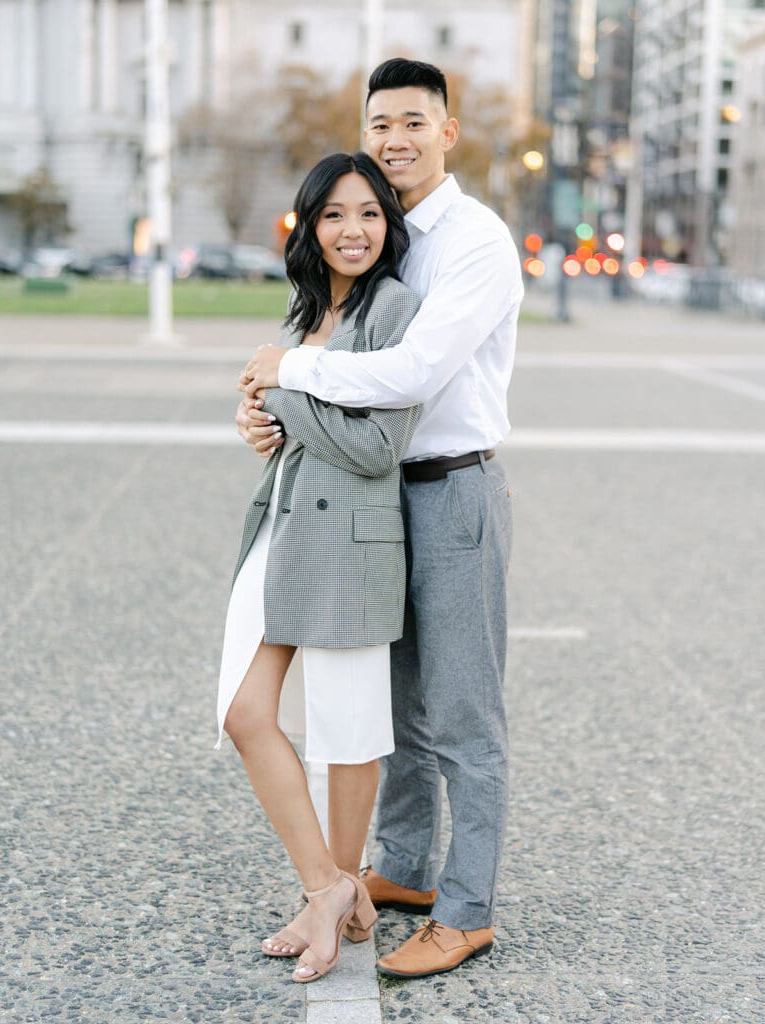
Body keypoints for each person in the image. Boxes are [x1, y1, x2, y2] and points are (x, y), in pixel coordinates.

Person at [238, 58, 523, 979]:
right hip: (379, 497)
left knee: (463, 715)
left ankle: (468, 910)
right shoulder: (384, 230)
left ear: (448, 131)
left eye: (412, 122)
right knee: (397, 702)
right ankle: (402, 868)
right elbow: (341, 354)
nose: (393, 140)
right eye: (379, 126)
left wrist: (286, 374)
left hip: (451, 489)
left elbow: (407, 375)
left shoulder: (474, 241)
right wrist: (268, 410)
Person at [217, 151, 421, 984]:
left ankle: (330, 897)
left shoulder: (399, 310)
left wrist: (284, 381)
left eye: (369, 213)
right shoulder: (303, 307)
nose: (352, 230)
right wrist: (255, 415)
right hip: (284, 526)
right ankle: (331, 887)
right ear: (309, 225)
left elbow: (378, 447)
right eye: (334, 214)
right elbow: (293, 412)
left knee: (347, 731)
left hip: (353, 539)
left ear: (387, 223)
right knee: (242, 711)